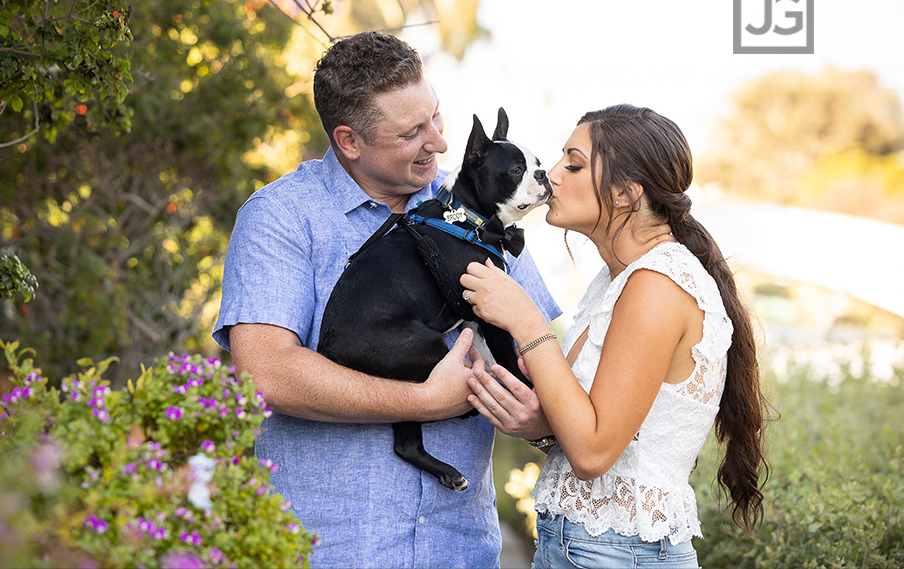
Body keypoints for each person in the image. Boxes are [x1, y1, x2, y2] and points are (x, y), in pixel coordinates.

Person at [213, 31, 561, 568]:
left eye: (436, 118)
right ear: (350, 141)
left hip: (460, 550)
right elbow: (267, 375)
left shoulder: (479, 201)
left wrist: (541, 423)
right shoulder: (279, 218)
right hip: (326, 550)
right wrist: (425, 402)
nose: (440, 144)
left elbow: (532, 346)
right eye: (411, 133)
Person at [459, 104, 771, 569]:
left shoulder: (658, 284)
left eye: (574, 164)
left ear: (625, 194)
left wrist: (526, 322)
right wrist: (543, 427)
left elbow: (593, 452)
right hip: (580, 547)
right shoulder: (615, 281)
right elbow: (604, 430)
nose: (553, 174)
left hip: (620, 555)